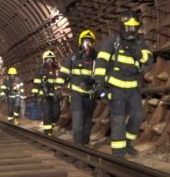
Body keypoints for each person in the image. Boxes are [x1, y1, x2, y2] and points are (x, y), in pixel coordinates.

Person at [94, 10, 153, 158]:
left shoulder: (139, 43)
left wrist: (137, 53)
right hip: (116, 88)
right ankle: (118, 154)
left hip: (133, 87)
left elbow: (149, 59)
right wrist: (99, 82)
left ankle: (126, 144)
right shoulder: (113, 40)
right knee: (118, 119)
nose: (131, 30)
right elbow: (101, 61)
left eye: (134, 27)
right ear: (122, 26)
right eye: (128, 27)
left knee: (138, 116)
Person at [59, 29, 98, 146]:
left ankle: (85, 143)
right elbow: (64, 72)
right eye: (85, 41)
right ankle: (78, 144)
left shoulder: (97, 58)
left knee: (87, 119)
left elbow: (102, 74)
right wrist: (58, 85)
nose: (88, 43)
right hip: (77, 93)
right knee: (78, 117)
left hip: (91, 93)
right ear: (81, 42)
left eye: (90, 41)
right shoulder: (73, 57)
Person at [31, 50, 64, 136]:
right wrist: (35, 92)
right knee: (47, 113)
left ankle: (51, 127)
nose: (49, 61)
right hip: (44, 96)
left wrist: (61, 92)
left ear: (54, 60)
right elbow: (36, 83)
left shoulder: (58, 70)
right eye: (47, 59)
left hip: (55, 96)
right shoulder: (40, 71)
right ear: (44, 60)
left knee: (56, 113)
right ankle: (48, 132)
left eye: (51, 59)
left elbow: (62, 82)